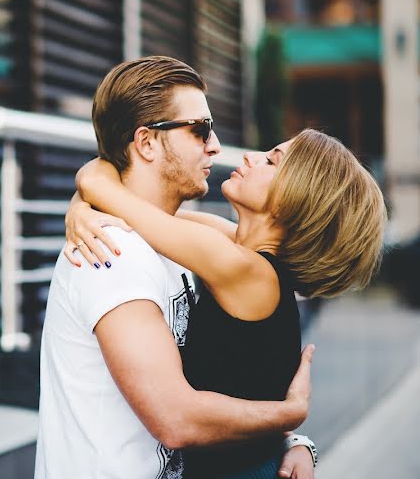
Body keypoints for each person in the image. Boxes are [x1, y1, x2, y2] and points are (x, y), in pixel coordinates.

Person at [34, 56, 320, 479]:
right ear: (147, 142)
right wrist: (287, 416)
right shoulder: (109, 253)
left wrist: (292, 441)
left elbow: (237, 372)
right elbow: (176, 419)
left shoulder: (177, 243)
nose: (216, 145)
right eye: (200, 129)